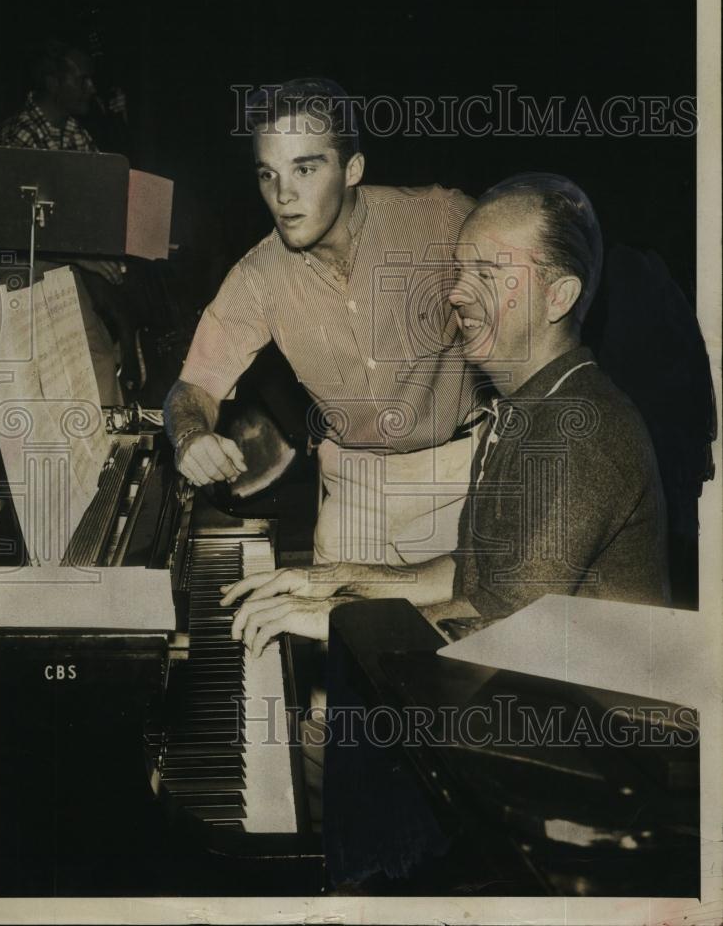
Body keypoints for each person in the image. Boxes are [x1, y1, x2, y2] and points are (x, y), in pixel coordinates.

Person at [221, 173, 671, 654]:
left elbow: (501, 622)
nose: (457, 293)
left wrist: (336, 616)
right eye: (459, 272)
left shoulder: (581, 431)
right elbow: (470, 570)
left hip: (597, 720)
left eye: (487, 273)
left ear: (558, 296)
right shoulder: (523, 408)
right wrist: (335, 578)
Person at [165, 78, 486, 565]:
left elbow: (537, 312)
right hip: (354, 493)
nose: (283, 196)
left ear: (352, 168)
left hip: (461, 480)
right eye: (267, 175)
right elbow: (193, 390)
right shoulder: (256, 276)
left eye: (305, 168)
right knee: (331, 632)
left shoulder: (443, 220)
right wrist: (191, 435)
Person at [0, 38, 138, 405]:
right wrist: (84, 258)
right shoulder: (20, 134)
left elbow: (101, 189)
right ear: (54, 82)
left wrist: (120, 124)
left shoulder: (69, 130)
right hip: (21, 271)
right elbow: (13, 225)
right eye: (82, 79)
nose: (91, 87)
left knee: (98, 359)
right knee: (70, 371)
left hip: (58, 265)